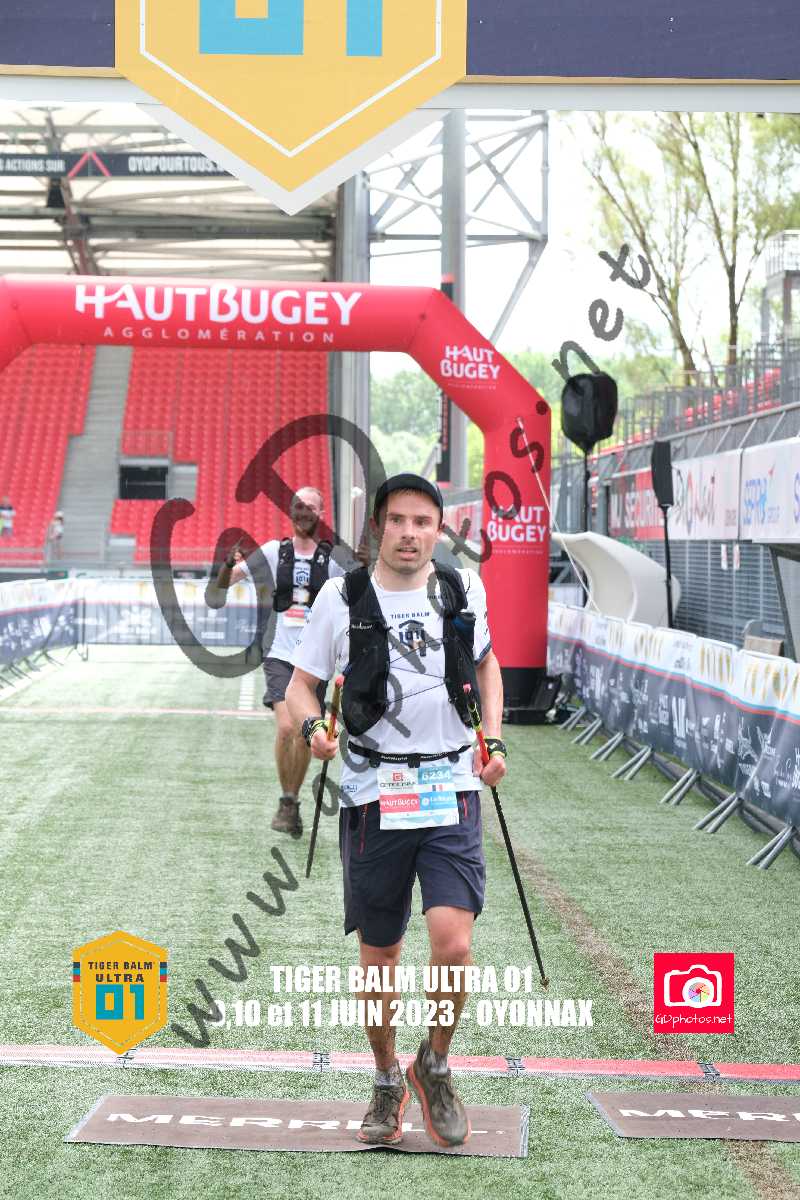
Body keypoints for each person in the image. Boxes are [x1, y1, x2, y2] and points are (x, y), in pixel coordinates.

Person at [285, 473, 507, 1150]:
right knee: (380, 954)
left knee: (454, 942)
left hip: (450, 787)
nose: (410, 533)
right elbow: (300, 686)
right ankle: (386, 1079)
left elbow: (487, 664)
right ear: (379, 525)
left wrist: (493, 738)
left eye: (423, 522)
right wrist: (312, 731)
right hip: (372, 793)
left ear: (438, 530)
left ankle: (433, 1063)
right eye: (399, 520)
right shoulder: (341, 596)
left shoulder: (462, 588)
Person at [207, 486, 347, 838]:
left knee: (304, 732)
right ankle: (287, 800)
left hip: (315, 659)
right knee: (287, 727)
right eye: (299, 506)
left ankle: (291, 802)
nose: (304, 512)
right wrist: (227, 563)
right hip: (280, 653)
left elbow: (362, 588)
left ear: (321, 514)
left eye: (311, 507)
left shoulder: (331, 559)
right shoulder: (273, 551)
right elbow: (225, 583)